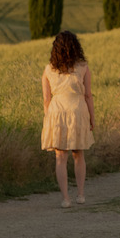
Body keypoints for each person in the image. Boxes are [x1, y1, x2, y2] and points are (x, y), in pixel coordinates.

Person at [41, 31, 96, 208]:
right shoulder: (83, 66)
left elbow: (46, 99)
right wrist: (92, 118)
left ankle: (65, 198)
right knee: (78, 155)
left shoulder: (48, 69)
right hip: (78, 110)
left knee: (60, 157)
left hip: (56, 112)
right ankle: (80, 195)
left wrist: (47, 119)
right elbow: (88, 95)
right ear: (75, 46)